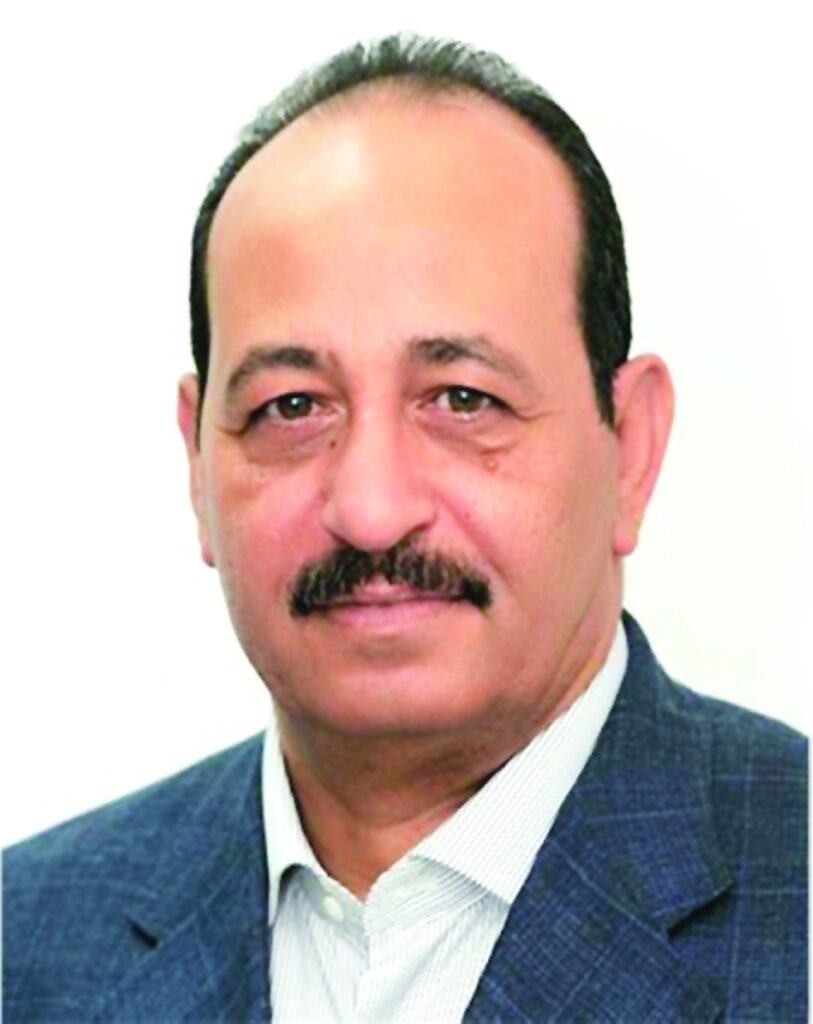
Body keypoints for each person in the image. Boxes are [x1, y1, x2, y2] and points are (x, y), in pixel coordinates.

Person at [3, 33, 807, 1023]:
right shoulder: (25, 945)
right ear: (198, 463)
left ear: (631, 447)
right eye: (292, 408)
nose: (372, 508)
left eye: (463, 398)